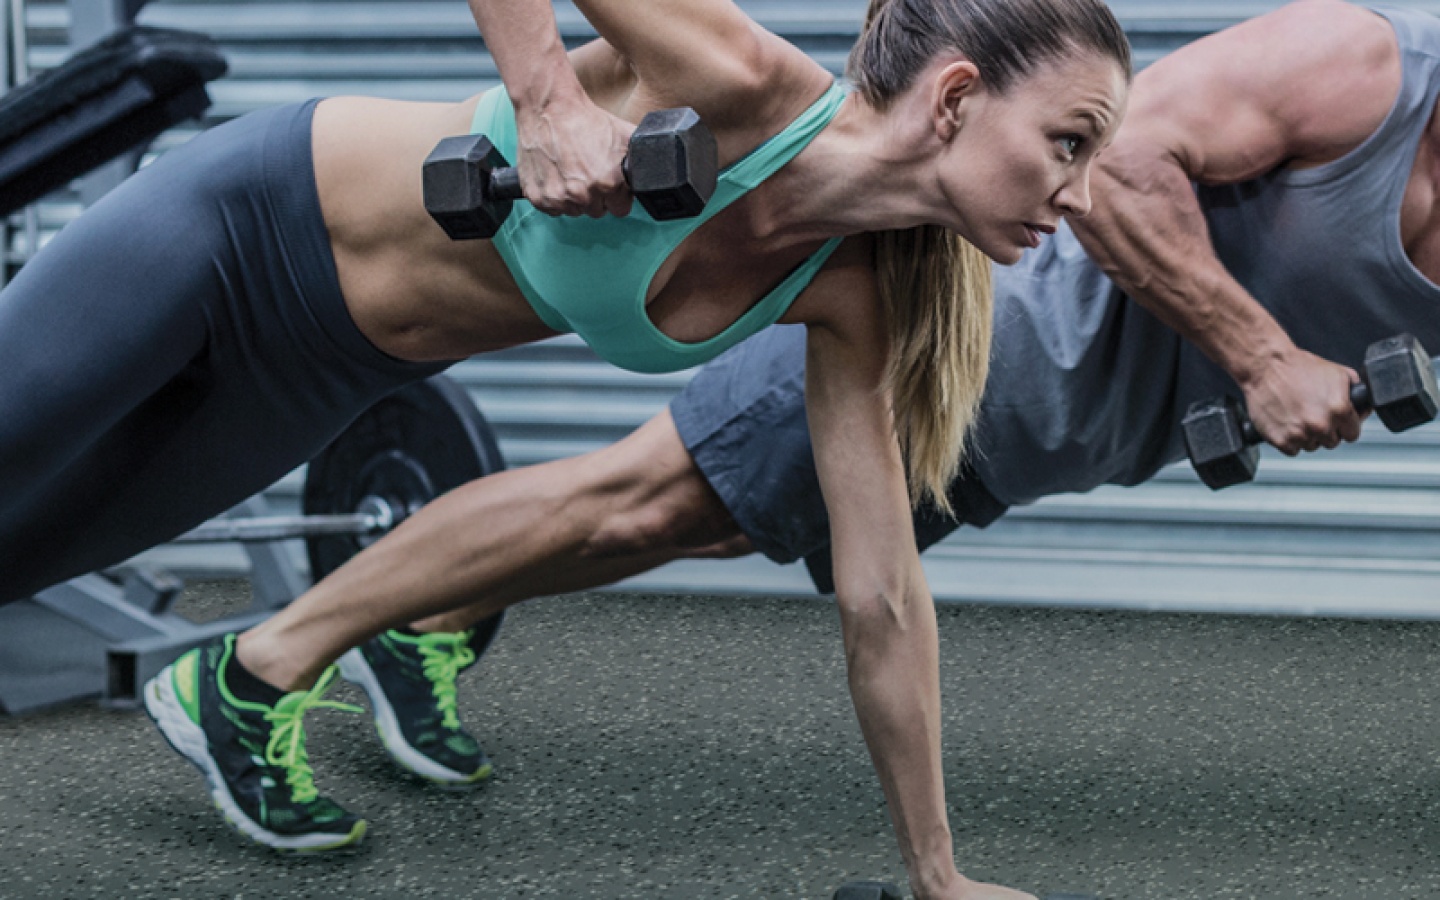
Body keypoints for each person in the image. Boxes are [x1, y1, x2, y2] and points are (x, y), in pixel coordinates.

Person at [156, 0, 1440, 893]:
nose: (1073, 177)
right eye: (1058, 149)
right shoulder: (1358, 60)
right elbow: (1136, 148)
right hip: (984, 341)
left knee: (700, 513)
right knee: (645, 494)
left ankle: (417, 627)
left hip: (1041, 428)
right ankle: (259, 665)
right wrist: (1264, 355)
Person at [0, 0, 1124, 894]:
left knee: (20, 561)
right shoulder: (733, 75)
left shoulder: (856, 291)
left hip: (325, 373)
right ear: (960, 98)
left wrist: (940, 878)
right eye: (1068, 143)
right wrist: (545, 102)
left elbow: (880, 594)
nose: (1079, 195)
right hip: (230, 230)